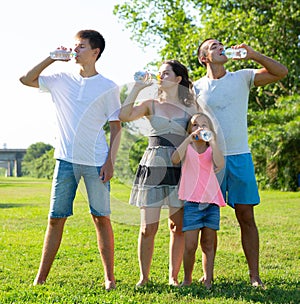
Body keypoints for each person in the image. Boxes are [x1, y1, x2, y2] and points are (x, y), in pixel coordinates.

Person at [19, 29, 121, 291]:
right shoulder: (60, 79)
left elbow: (116, 127)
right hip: (65, 160)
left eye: (81, 47)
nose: (75, 51)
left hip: (96, 161)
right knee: (55, 218)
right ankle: (40, 278)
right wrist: (51, 58)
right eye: (75, 46)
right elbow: (25, 79)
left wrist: (110, 162)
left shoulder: (108, 87)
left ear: (95, 52)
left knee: (101, 217)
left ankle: (109, 277)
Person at [194, 38, 288, 287]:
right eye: (213, 46)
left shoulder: (243, 76)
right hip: (211, 160)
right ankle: (207, 275)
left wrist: (253, 54)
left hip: (240, 157)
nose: (220, 47)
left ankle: (254, 277)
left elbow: (281, 72)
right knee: (207, 219)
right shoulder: (196, 88)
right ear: (204, 58)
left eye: (221, 44)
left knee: (246, 216)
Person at [119, 60, 199, 287]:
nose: (160, 76)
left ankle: (173, 277)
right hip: (153, 164)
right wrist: (137, 87)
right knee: (148, 228)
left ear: (178, 79)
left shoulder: (191, 108)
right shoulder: (150, 104)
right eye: (160, 73)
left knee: (177, 226)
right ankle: (144, 277)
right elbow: (124, 115)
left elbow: (202, 130)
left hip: (181, 165)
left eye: (166, 73)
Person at [171, 112, 226, 289]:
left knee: (208, 243)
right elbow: (174, 159)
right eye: (195, 124)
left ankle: (208, 279)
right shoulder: (188, 148)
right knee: (190, 244)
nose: (199, 127)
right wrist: (189, 139)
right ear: (190, 129)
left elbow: (219, 163)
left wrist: (213, 141)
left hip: (211, 202)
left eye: (204, 124)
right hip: (192, 203)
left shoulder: (212, 148)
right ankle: (187, 279)